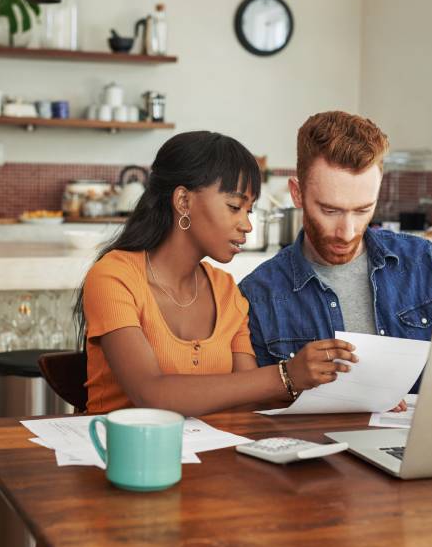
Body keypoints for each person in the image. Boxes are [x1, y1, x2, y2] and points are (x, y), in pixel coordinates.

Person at [76, 131, 358, 416]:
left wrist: (351, 396)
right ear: (183, 201)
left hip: (212, 456)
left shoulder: (226, 290)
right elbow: (150, 394)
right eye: (235, 207)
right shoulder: (114, 277)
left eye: (249, 210)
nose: (246, 225)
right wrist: (286, 375)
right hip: (120, 454)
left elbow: (248, 399)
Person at [238, 111, 432, 403]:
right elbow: (258, 416)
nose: (347, 231)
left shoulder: (423, 261)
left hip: (421, 442)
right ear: (297, 193)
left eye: (362, 210)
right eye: (330, 211)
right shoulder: (258, 294)